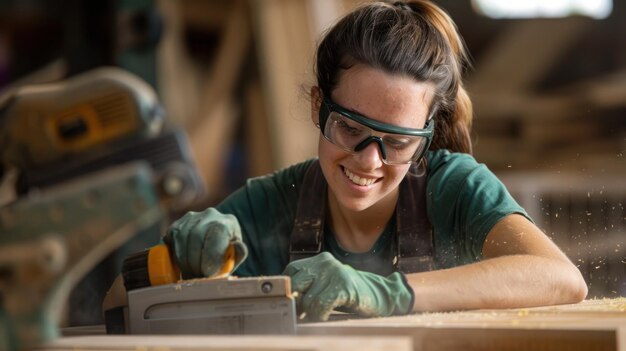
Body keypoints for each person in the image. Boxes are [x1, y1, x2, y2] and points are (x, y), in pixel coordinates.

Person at [166, 0, 588, 322]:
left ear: (426, 135)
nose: (369, 160)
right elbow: (115, 303)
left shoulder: (454, 188)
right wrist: (174, 261)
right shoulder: (272, 204)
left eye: (399, 142)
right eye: (350, 129)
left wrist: (388, 292)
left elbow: (562, 279)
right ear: (319, 107)